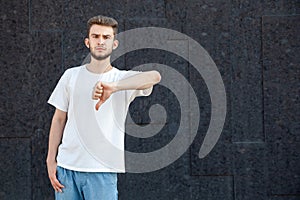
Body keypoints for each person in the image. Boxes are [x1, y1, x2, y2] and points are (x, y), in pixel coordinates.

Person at [46, 15, 161, 200]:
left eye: (106, 37)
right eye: (96, 36)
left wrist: (114, 87)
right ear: (87, 42)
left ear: (114, 44)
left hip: (102, 170)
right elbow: (59, 119)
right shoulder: (71, 76)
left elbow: (155, 76)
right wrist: (51, 160)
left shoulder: (122, 79)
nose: (100, 41)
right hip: (67, 168)